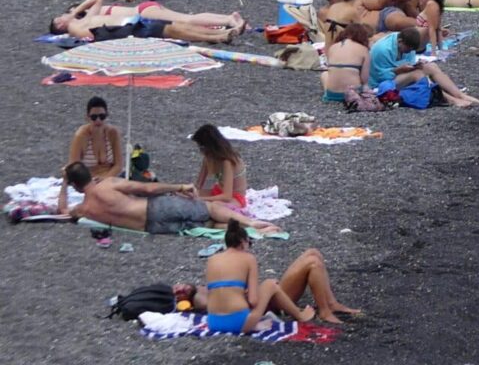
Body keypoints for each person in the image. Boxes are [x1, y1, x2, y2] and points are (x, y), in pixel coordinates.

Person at [197, 221, 357, 335]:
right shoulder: (247, 258)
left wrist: (243, 292)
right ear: (242, 242)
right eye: (249, 244)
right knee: (306, 266)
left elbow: (219, 293)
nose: (249, 248)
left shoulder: (212, 260)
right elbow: (253, 301)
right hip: (242, 319)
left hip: (214, 321)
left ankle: (331, 303)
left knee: (312, 253)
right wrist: (263, 291)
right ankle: (321, 312)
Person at [57, 162, 265, 234]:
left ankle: (249, 229)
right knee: (207, 209)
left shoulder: (83, 210)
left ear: (75, 185)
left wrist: (64, 183)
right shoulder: (108, 184)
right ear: (89, 174)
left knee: (208, 224)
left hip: (151, 227)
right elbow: (147, 189)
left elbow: (62, 211)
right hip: (154, 208)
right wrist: (179, 186)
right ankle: (252, 224)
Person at [53, 0, 242, 45]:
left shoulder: (86, 18)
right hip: (132, 26)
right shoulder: (76, 28)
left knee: (183, 24)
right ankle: (222, 32)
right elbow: (93, 36)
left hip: (138, 18)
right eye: (59, 18)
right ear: (60, 25)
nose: (62, 15)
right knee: (180, 26)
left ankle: (223, 30)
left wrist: (74, 12)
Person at [368, 24, 479, 107]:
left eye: (412, 49)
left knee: (431, 67)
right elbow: (378, 76)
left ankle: (459, 95)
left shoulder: (407, 44)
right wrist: (398, 70)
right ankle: (450, 99)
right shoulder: (382, 50)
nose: (409, 51)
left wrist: (415, 65)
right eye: (408, 49)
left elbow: (410, 61)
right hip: (381, 84)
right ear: (400, 41)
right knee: (418, 74)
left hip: (397, 75)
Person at [190, 123, 250, 210]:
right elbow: (199, 185)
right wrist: (190, 192)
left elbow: (227, 196)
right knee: (193, 199)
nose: (201, 151)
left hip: (235, 198)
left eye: (202, 147)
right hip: (219, 191)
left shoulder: (227, 161)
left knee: (213, 206)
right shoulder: (208, 158)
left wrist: (201, 199)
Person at [66, 97, 123, 181]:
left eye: (102, 116)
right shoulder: (81, 136)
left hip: (109, 178)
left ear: (107, 115)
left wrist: (105, 178)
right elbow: (74, 167)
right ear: (87, 117)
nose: (98, 120)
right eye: (94, 117)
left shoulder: (113, 133)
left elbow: (118, 165)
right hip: (87, 181)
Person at [320, 20, 371, 105]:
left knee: (325, 74)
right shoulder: (363, 49)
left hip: (332, 95)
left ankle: (327, 94)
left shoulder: (333, 47)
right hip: (353, 94)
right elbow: (364, 79)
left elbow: (331, 69)